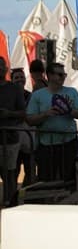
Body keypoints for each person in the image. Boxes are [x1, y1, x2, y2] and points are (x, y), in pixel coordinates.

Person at [25, 62, 78, 182]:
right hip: (46, 144)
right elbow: (29, 120)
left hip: (69, 142)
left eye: (64, 74)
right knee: (47, 178)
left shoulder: (72, 92)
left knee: (69, 178)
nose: (63, 77)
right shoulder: (37, 95)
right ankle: (49, 199)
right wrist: (46, 114)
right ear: (49, 76)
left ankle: (68, 200)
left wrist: (68, 110)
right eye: (60, 74)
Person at [0, 58, 27, 204]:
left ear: (6, 69)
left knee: (10, 172)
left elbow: (23, 112)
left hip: (10, 138)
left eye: (2, 66)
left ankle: (10, 201)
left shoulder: (14, 89)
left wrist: (8, 114)